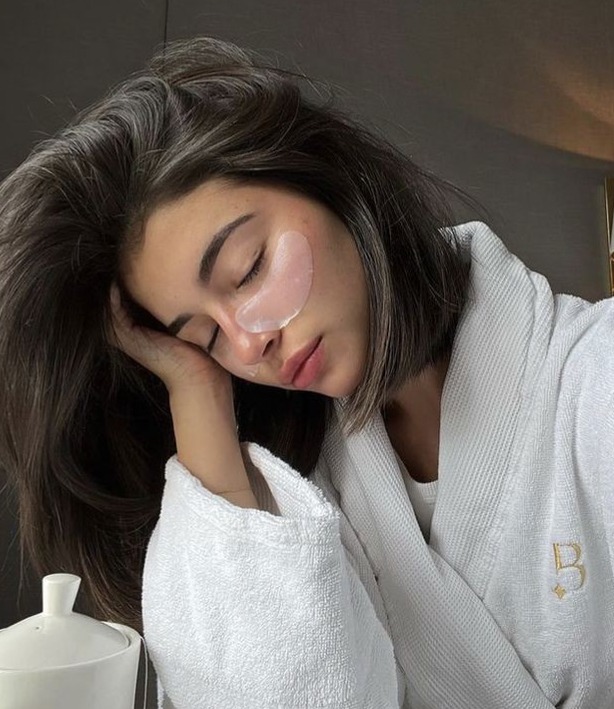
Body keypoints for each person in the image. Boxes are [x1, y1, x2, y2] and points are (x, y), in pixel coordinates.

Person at [0, 36, 613, 709]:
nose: (249, 342)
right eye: (204, 337)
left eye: (249, 269)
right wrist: (197, 391)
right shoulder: (305, 507)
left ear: (324, 177)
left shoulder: (594, 379)